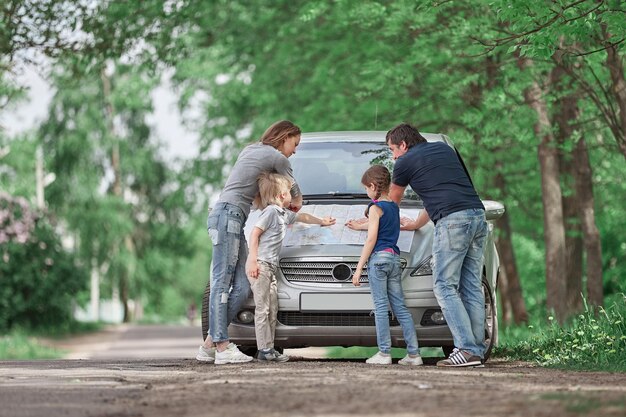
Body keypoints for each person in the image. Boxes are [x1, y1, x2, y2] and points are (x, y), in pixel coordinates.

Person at [196, 120, 304, 365]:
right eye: (295, 144)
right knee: (221, 282)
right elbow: (294, 189)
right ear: (284, 137)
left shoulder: (250, 150)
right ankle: (223, 346)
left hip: (232, 217)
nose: (294, 150)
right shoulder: (278, 158)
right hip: (228, 216)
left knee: (244, 285)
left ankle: (208, 346)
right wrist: (296, 202)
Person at [386, 123, 488, 367]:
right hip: (477, 216)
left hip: (452, 222)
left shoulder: (405, 162)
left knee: (443, 285)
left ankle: (465, 348)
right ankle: (476, 350)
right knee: (471, 286)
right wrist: (417, 223)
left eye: (392, 150)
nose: (393, 156)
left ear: (403, 144)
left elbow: (393, 201)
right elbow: (442, 192)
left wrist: (377, 221)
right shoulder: (444, 151)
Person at [246, 172, 336, 362]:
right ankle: (263, 349)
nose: (291, 197)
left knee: (272, 308)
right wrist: (252, 260)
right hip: (260, 265)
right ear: (281, 196)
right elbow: (255, 234)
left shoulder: (282, 214)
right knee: (263, 309)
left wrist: (322, 222)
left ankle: (269, 348)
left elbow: (301, 216)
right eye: (288, 193)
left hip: (270, 267)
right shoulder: (270, 212)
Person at [346, 165, 422, 366]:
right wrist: (359, 225)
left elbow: (371, 238)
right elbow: (380, 225)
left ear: (373, 186)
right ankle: (414, 355)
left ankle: (384, 353)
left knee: (380, 307)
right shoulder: (393, 207)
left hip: (378, 260)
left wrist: (359, 267)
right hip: (394, 259)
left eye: (366, 189)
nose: (366, 192)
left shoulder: (374, 207)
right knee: (400, 308)